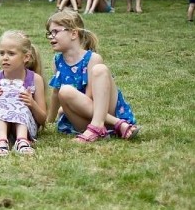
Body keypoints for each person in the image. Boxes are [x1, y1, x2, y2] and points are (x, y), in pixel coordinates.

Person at [46, 10, 138, 142]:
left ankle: (101, 125)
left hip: (104, 112)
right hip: (83, 122)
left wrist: (66, 104)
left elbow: (89, 98)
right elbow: (56, 92)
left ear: (73, 34)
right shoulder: (57, 61)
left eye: (55, 31)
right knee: (63, 91)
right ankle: (117, 124)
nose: (51, 36)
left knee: (100, 70)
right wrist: (50, 120)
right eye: (49, 33)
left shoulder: (92, 59)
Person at [0, 30, 47, 156]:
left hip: (26, 127)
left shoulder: (35, 79)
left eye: (11, 53)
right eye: (2, 53)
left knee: (18, 96)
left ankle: (22, 140)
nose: (5, 57)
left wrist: (31, 103)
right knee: (5, 98)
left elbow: (42, 119)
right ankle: (1, 141)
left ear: (26, 57)